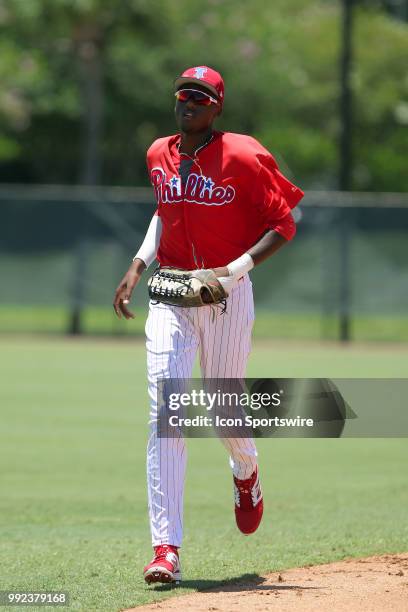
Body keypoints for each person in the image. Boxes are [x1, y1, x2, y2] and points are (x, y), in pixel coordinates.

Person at [113, 66, 304, 584]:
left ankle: (246, 470)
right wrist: (138, 263)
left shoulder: (243, 155)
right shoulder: (159, 152)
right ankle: (165, 549)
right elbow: (165, 210)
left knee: (224, 413)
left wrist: (231, 271)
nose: (189, 104)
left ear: (217, 107)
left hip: (227, 298)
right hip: (172, 295)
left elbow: (284, 223)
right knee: (167, 410)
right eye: (183, 96)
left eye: (200, 98)